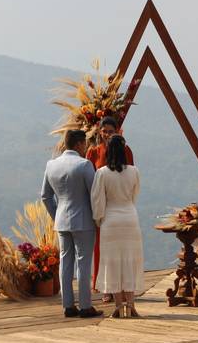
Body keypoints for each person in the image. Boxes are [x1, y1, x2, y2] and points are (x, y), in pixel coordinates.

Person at [41, 129, 102, 319]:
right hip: (83, 220)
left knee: (65, 262)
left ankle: (67, 305)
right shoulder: (84, 165)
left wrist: (56, 215)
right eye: (84, 144)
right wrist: (97, 217)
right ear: (78, 144)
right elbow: (95, 195)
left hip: (61, 220)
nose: (86, 147)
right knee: (83, 263)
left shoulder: (51, 165)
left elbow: (45, 196)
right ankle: (85, 306)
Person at [91, 135, 145, 317]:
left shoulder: (102, 173)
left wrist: (99, 220)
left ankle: (117, 306)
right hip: (130, 218)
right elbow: (135, 196)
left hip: (111, 220)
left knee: (112, 262)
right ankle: (131, 305)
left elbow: (97, 200)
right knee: (129, 261)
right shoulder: (134, 171)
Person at [85, 116, 134, 302]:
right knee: (101, 249)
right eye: (104, 131)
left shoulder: (126, 151)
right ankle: (106, 287)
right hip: (101, 207)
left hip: (119, 206)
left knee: (121, 249)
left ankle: (122, 287)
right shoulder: (93, 152)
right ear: (99, 131)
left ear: (118, 132)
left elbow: (130, 177)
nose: (106, 134)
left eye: (110, 131)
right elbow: (89, 180)